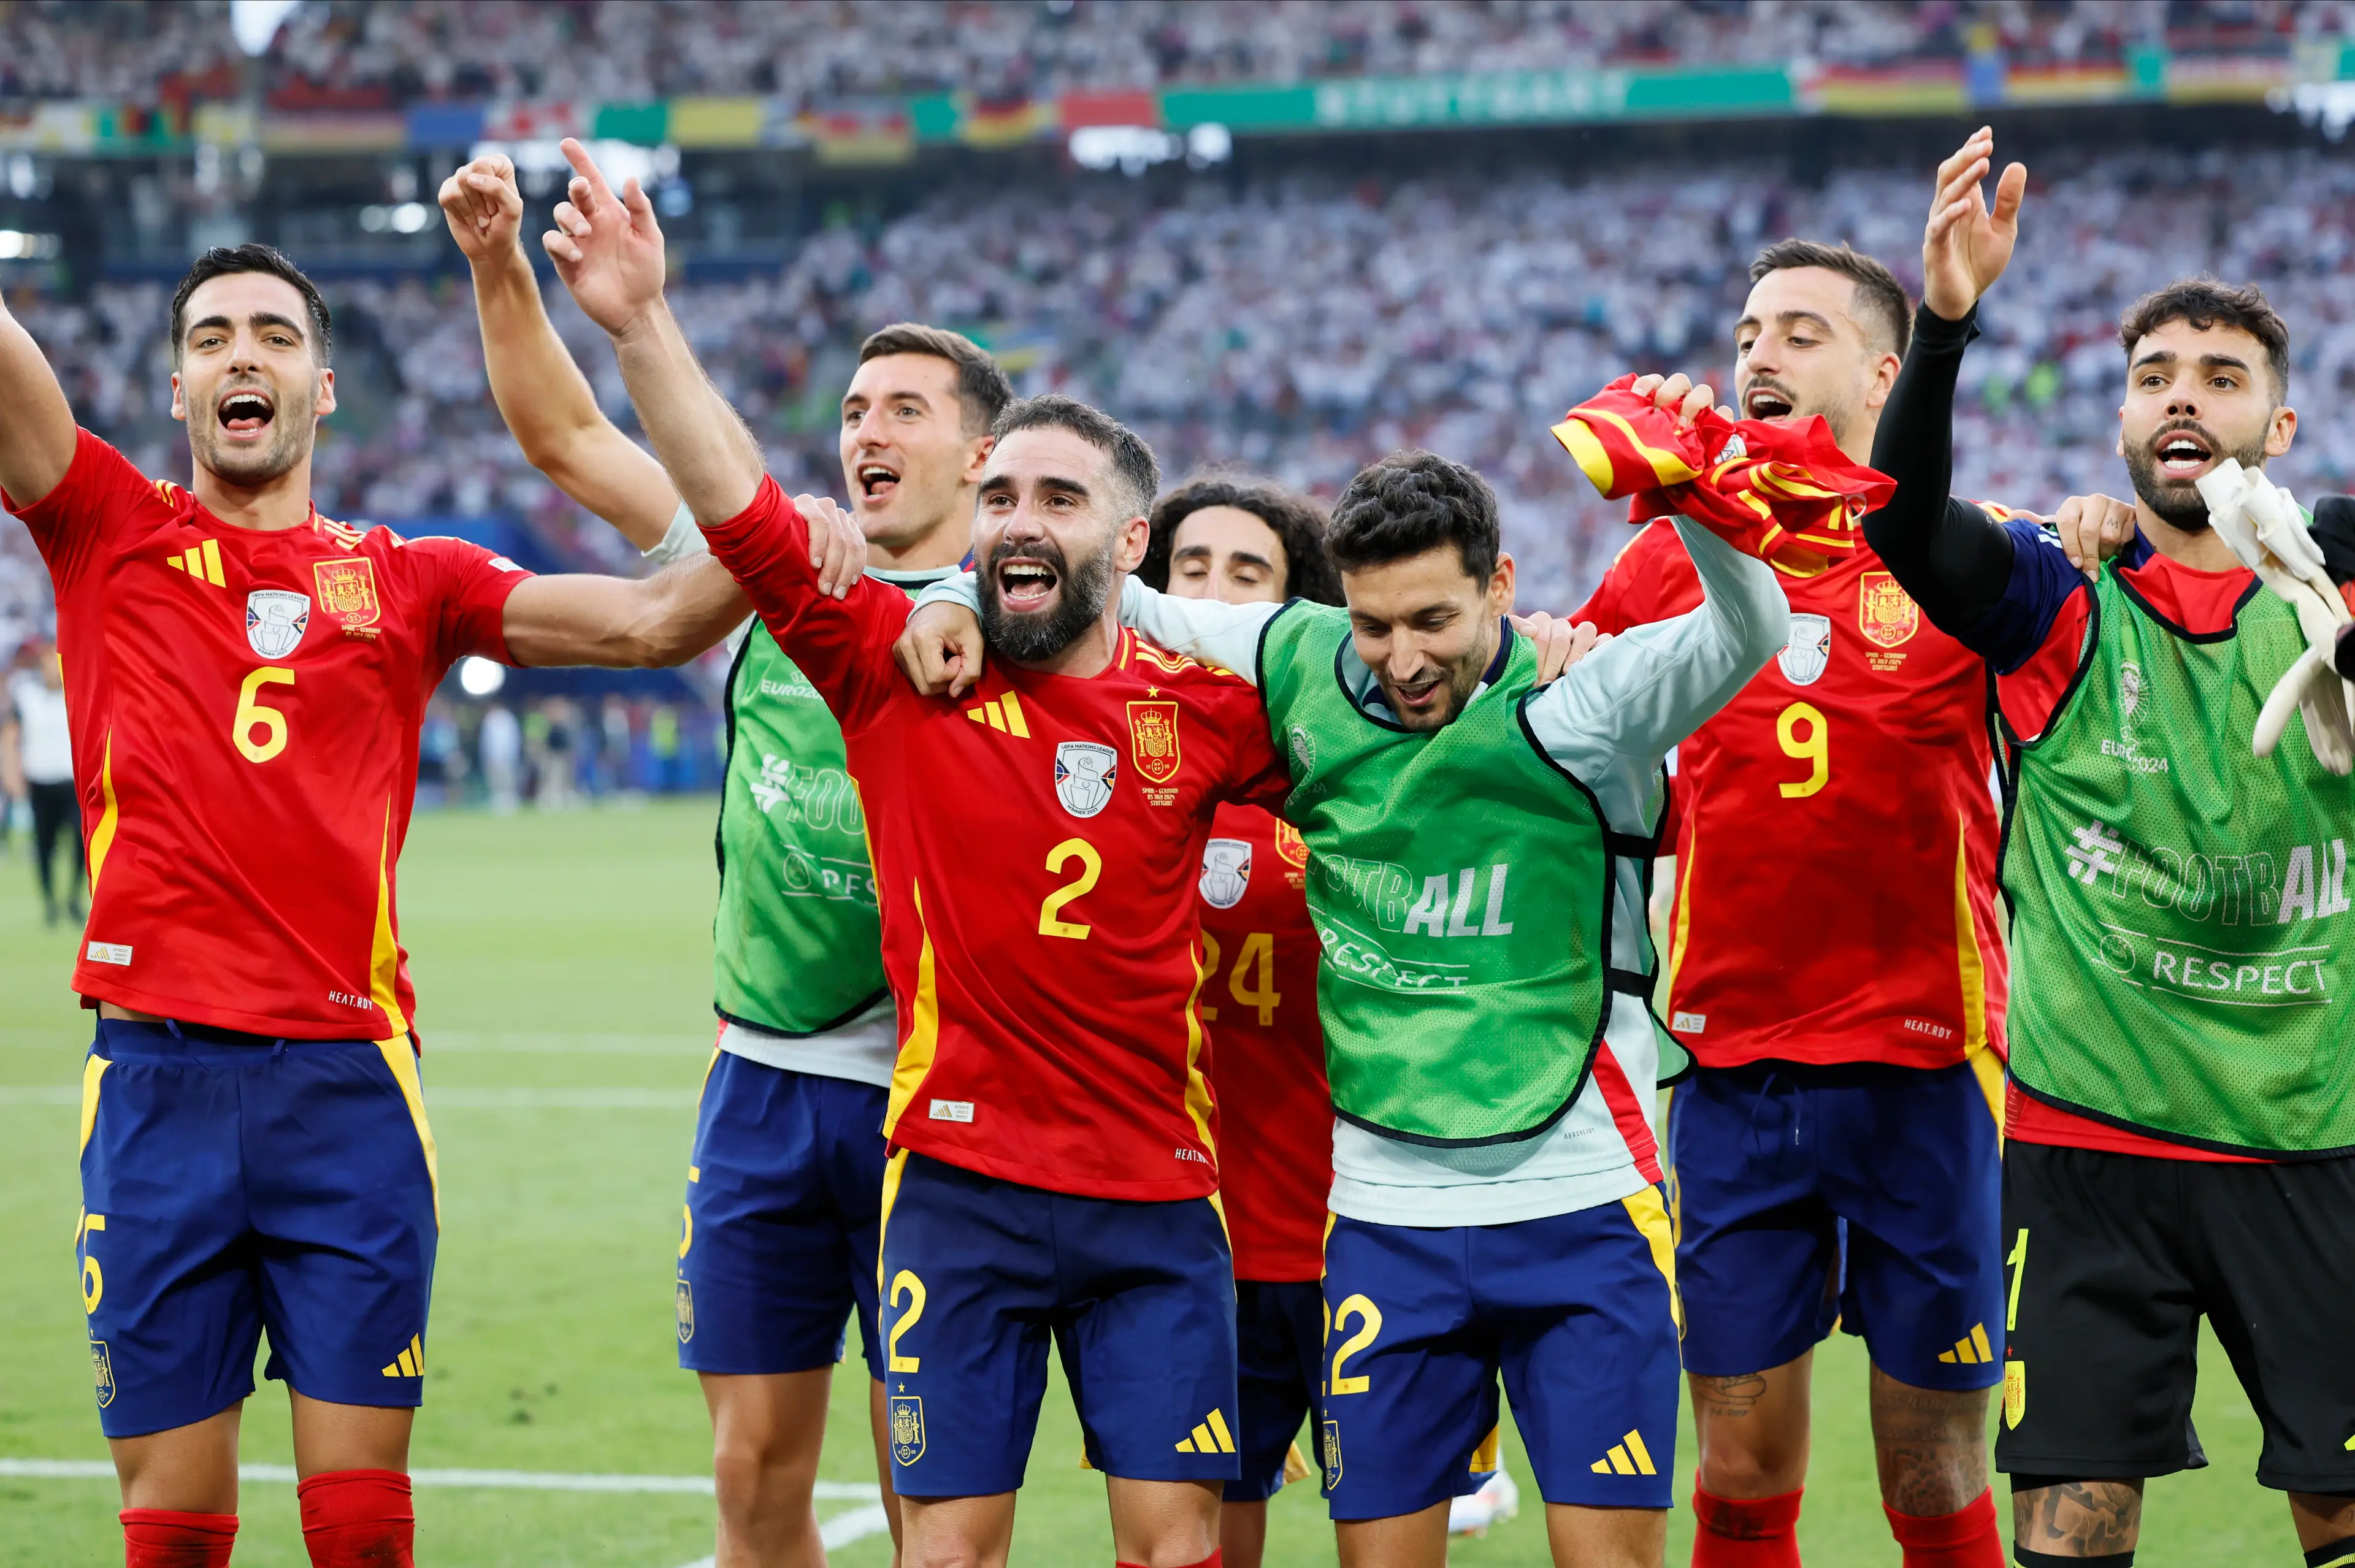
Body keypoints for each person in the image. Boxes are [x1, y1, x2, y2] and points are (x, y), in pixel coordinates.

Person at [905, 392, 1860, 1568]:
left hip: (1583, 1202)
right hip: (1383, 1221)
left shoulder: (1586, 707)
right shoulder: (1297, 658)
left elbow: (1749, 625)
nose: (1403, 659)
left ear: (1503, 587)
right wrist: (955, 586)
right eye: (1373, 624)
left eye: (1434, 621)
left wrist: (1692, 498)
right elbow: (1105, 585)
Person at [542, 136, 1309, 1568]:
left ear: (1126, 540)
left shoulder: (1207, 711)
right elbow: (740, 514)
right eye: (1003, 497)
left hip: (1154, 1199)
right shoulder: (894, 666)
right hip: (956, 1192)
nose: (1019, 522)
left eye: (1057, 501)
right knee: (943, 1550)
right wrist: (641, 319)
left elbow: (1383, 708)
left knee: (1176, 1549)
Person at [0, 239, 821, 1568]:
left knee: (365, 1528)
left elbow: (652, 622)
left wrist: (791, 536)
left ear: (325, 388)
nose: (241, 357)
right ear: (175, 390)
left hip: (347, 1093)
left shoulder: (411, 579)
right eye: (211, 339)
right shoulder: (104, 525)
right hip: (154, 1085)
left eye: (271, 335)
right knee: (170, 1527)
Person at [442, 150, 1011, 1568]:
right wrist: (500, 267)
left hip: (931, 1102)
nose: (865, 430)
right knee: (752, 1476)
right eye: (853, 408)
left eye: (904, 410)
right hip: (762, 1085)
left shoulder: (1032, 619)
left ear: (982, 457)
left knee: (925, 1491)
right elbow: (568, 438)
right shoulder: (769, 567)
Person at [1869, 128, 2355, 1566]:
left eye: (2219, 378)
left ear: (2275, 428)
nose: (2180, 399)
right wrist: (1943, 322)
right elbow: (1895, 524)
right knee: (2074, 1521)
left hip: (2303, 1129)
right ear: (2120, 428)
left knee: (2336, 1506)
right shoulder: (2051, 595)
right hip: (2088, 1142)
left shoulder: (2334, 592)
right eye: (2152, 378)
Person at [1571, 237, 2018, 1567]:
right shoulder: (1671, 563)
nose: (1760, 352)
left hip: (1923, 1072)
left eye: (1802, 331)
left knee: (1935, 1475)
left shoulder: (1966, 565)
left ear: (1888, 373)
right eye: (1751, 329)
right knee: (1742, 1470)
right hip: (1734, 1072)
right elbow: (1561, 729)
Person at [1142, 478, 1343, 1566]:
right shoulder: (1122, 767)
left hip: (1362, 1227)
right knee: (1212, 1535)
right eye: (1192, 569)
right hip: (1189, 1238)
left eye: (1248, 573)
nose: (1214, 595)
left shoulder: (1350, 766)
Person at [2, 634, 82, 924]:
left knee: (79, 841)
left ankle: (74, 897)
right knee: (44, 845)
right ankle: (50, 902)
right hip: (40, 782)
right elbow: (11, 735)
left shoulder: (78, 694)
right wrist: (13, 773)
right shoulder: (27, 696)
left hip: (73, 782)